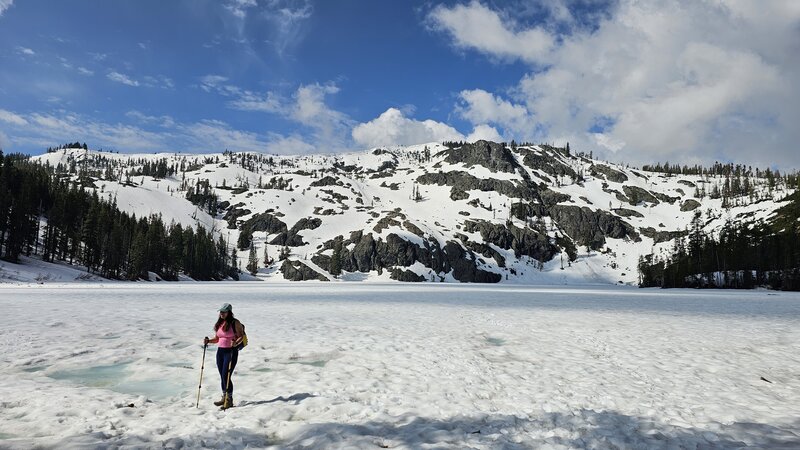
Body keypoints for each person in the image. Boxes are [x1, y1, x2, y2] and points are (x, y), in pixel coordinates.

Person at [203, 303, 244, 409]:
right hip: (220, 352)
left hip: (231, 351)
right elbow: (217, 339)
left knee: (226, 375)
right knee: (222, 375)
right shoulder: (220, 323)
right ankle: (224, 397)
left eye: (224, 312)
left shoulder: (235, 323)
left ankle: (229, 400)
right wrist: (208, 341)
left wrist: (235, 343)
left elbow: (241, 336)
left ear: (229, 312)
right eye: (220, 311)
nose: (221, 313)